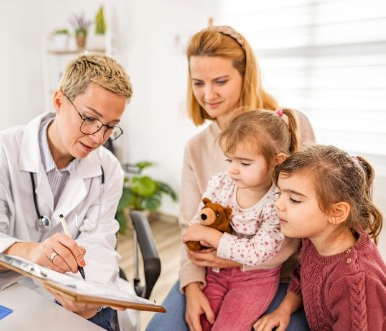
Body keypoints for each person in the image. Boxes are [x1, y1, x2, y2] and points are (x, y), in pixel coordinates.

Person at [0, 53, 133, 331]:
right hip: (9, 289)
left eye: (110, 127)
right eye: (90, 118)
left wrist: (88, 294)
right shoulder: (1, 151)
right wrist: (31, 253)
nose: (98, 137)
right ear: (59, 101)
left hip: (72, 291)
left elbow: (100, 244)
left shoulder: (108, 169)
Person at [147, 25, 315, 331]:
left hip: (279, 275)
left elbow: (308, 219)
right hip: (212, 274)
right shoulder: (196, 148)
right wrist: (193, 286)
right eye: (198, 82)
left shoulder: (289, 127)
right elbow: (191, 224)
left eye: (220, 81)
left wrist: (239, 260)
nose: (207, 95)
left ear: (245, 76)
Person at [182, 108, 300, 331]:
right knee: (202, 324)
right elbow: (199, 222)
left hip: (256, 280)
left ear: (277, 161)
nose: (233, 170)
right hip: (215, 273)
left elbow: (258, 253)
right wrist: (199, 238)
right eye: (230, 159)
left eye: (244, 163)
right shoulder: (221, 182)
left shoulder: (278, 202)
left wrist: (213, 237)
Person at [253, 145, 386, 331]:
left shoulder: (355, 280)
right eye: (280, 193)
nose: (278, 205)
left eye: (294, 200)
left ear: (336, 212)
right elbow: (304, 277)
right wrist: (283, 310)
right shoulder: (316, 237)